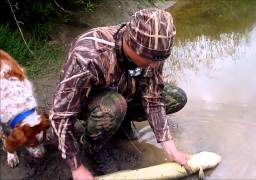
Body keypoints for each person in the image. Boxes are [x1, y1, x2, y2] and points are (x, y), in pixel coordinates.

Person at [49, 8, 189, 180]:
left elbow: (153, 98)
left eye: (159, 60)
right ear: (131, 43)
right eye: (150, 60)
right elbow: (60, 115)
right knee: (114, 106)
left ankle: (121, 122)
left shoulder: (154, 53)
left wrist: (169, 146)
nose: (154, 65)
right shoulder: (88, 56)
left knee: (176, 97)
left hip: (124, 92)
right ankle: (94, 148)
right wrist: (76, 167)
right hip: (93, 102)